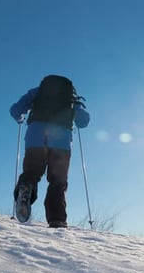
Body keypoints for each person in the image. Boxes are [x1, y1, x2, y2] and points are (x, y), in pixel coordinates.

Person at [9, 75, 90, 228]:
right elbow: (83, 122)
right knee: (58, 182)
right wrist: (77, 107)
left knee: (32, 172)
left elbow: (15, 110)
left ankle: (26, 187)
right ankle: (57, 219)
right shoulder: (71, 97)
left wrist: (20, 117)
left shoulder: (37, 92)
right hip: (62, 142)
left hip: (35, 138)